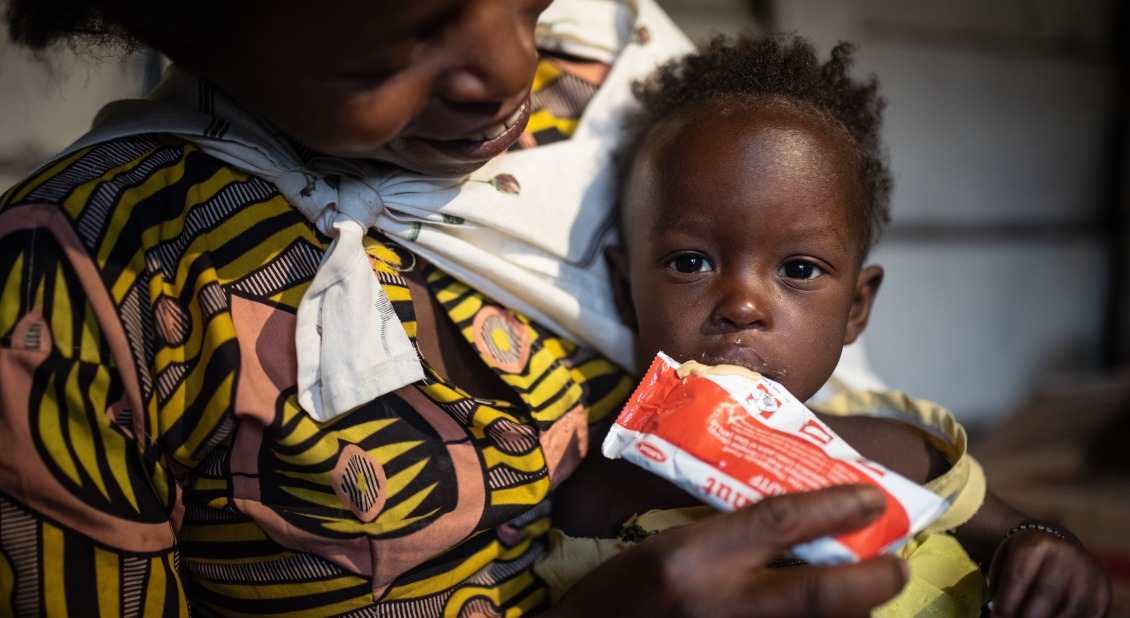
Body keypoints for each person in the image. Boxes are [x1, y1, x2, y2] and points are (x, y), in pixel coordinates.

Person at [0, 0, 915, 615]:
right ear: (191, 25)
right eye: (404, 40)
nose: (511, 67)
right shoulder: (76, 286)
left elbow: (830, 387)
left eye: (521, 1)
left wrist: (1021, 535)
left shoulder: (615, 65)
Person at [545, 32, 1113, 617]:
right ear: (624, 290)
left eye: (797, 269)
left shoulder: (895, 453)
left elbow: (1029, 537)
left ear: (856, 308)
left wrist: (1048, 558)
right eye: (690, 262)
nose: (743, 305)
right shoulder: (604, 487)